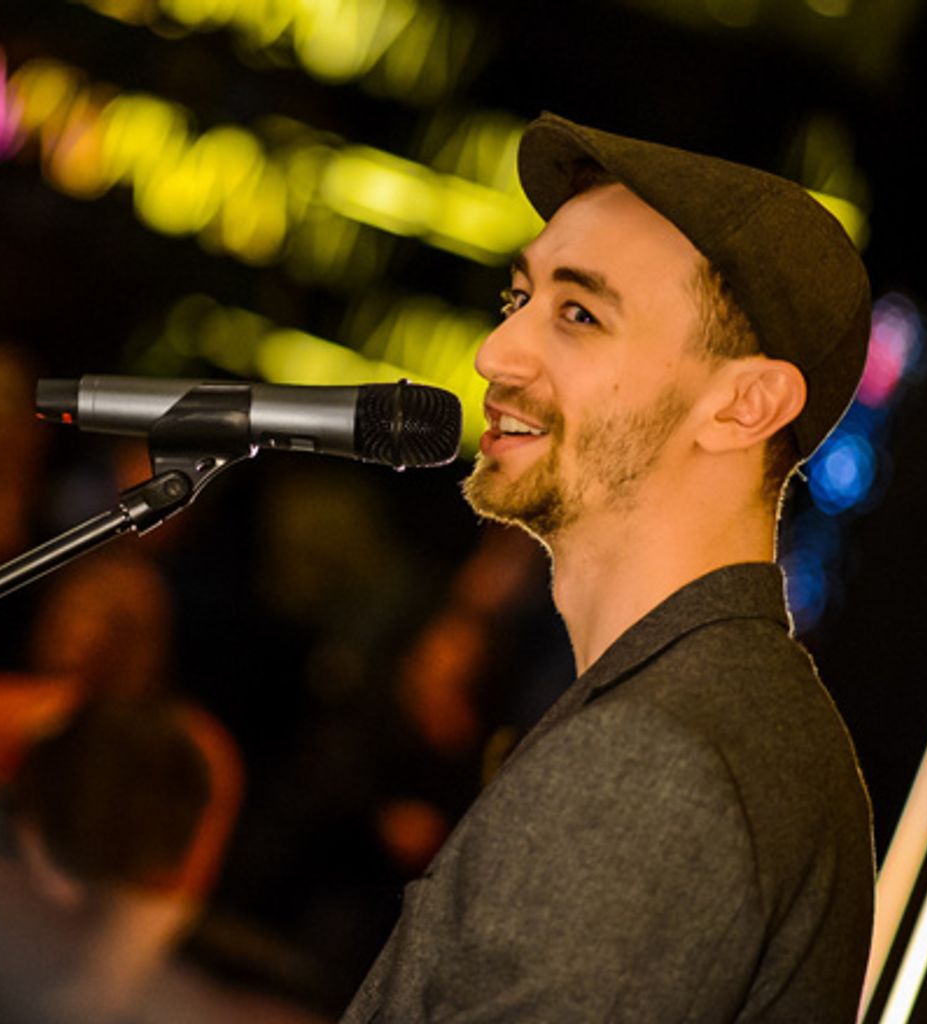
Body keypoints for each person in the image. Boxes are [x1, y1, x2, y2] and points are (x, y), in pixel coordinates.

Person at [342, 113, 875, 1022]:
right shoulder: (703, 713)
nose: (495, 354)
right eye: (518, 299)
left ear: (745, 405)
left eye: (579, 313)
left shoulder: (659, 763)